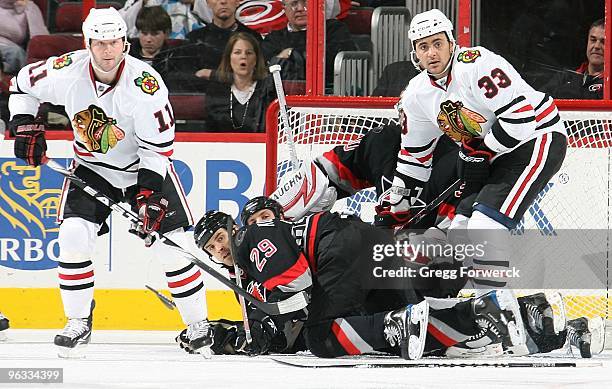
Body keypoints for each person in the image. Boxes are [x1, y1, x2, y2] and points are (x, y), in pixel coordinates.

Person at [8, 7, 211, 357]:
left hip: (141, 169)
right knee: (73, 237)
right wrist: (25, 124)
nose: (107, 51)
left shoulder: (145, 87)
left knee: (173, 245)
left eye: (114, 42)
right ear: (88, 43)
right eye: (100, 43)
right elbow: (21, 86)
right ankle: (78, 321)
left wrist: (148, 194)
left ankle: (198, 324)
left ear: (125, 44)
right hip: (91, 168)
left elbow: (157, 151)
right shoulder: (65, 70)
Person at [383, 9, 568, 294]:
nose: (432, 53)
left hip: (536, 139)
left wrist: (483, 152)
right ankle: (500, 306)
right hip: (493, 153)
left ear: (452, 42)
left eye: (437, 43)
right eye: (423, 46)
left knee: (485, 228)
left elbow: (520, 120)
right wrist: (397, 198)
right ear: (414, 55)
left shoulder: (476, 64)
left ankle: (498, 312)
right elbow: (414, 157)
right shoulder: (417, 95)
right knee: (458, 232)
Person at [193, 203, 528, 359]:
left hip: (338, 251)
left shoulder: (251, 238)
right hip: (363, 244)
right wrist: (229, 335)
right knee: (406, 332)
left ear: (233, 228)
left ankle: (399, 320)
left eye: (221, 237)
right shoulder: (248, 269)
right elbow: (271, 327)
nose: (220, 248)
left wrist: (280, 307)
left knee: (321, 339)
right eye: (212, 248)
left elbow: (297, 281)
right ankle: (490, 313)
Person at [169, 0, 262, 92]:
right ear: (207, 3)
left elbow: (258, 78)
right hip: (204, 101)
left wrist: (210, 75)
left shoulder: (252, 38)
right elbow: (184, 79)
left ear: (237, 2)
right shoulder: (194, 38)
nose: (223, 1)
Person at [261, 0, 357, 89]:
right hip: (280, 95)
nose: (300, 8)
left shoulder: (334, 29)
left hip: (328, 92)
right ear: (284, 8)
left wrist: (290, 53)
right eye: (294, 3)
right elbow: (266, 67)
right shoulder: (274, 38)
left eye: (306, 2)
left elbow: (330, 61)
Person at [204, 33, 275, 132]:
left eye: (249, 53)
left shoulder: (268, 88)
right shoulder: (216, 90)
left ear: (256, 59)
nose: (243, 57)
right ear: (229, 58)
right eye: (237, 52)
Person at [542, 19, 604, 99]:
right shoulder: (566, 76)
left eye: (603, 42)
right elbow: (539, 102)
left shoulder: (609, 83)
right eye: (593, 40)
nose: (596, 46)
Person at [128, 6, 183, 84]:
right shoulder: (127, 55)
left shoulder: (175, 57)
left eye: (155, 34)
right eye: (144, 33)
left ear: (166, 33)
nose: (148, 40)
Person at [0, 0, 48, 74]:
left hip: (13, 51)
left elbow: (41, 39)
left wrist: (29, 9)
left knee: (16, 53)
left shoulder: (29, 7)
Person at [119, 0, 206, 40]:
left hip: (185, 47)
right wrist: (144, 2)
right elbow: (121, 23)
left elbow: (214, 18)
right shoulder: (138, 2)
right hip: (146, 48)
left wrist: (194, 2)